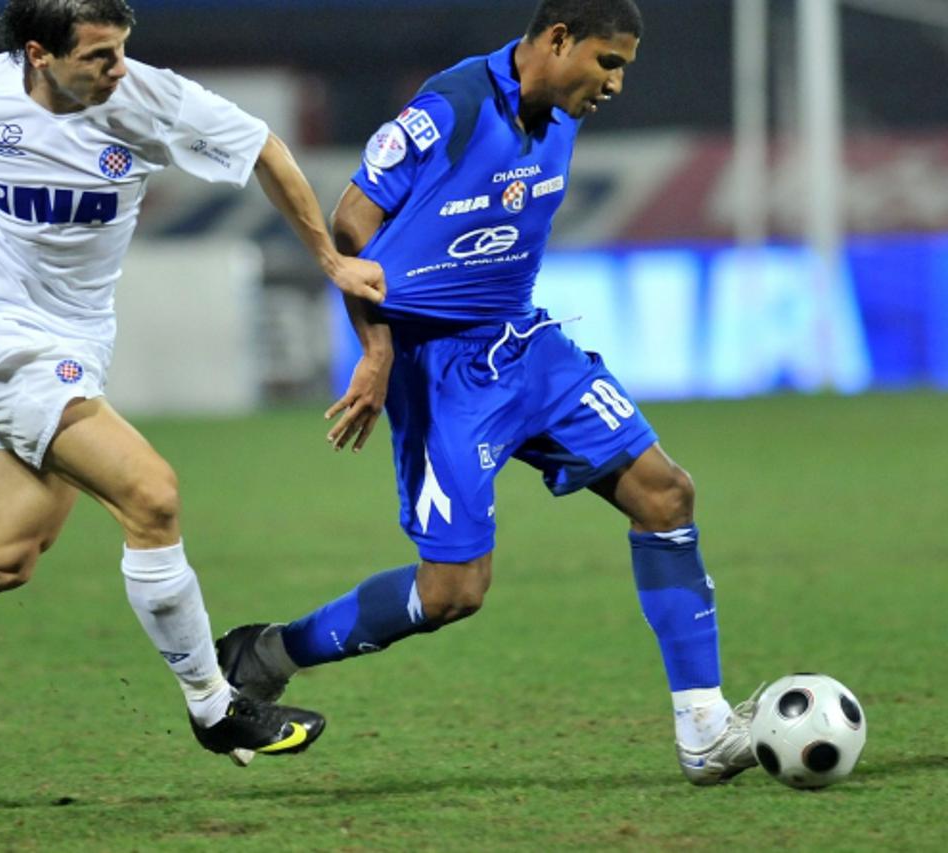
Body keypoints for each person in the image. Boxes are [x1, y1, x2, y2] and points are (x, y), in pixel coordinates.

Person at [0, 0, 386, 766]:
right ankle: (215, 705)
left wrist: (329, 260)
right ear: (40, 54)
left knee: (5, 554)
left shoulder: (152, 99)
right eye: (100, 57)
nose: (119, 69)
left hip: (76, 345)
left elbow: (267, 152)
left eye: (123, 50)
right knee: (152, 494)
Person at [216, 0, 762, 785]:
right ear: (558, 39)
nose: (614, 85)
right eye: (607, 63)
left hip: (529, 346)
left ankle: (705, 726)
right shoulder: (453, 105)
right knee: (452, 592)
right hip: (439, 371)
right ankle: (267, 652)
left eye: (624, 70)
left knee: (666, 494)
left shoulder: (564, 112)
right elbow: (348, 224)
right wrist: (376, 348)